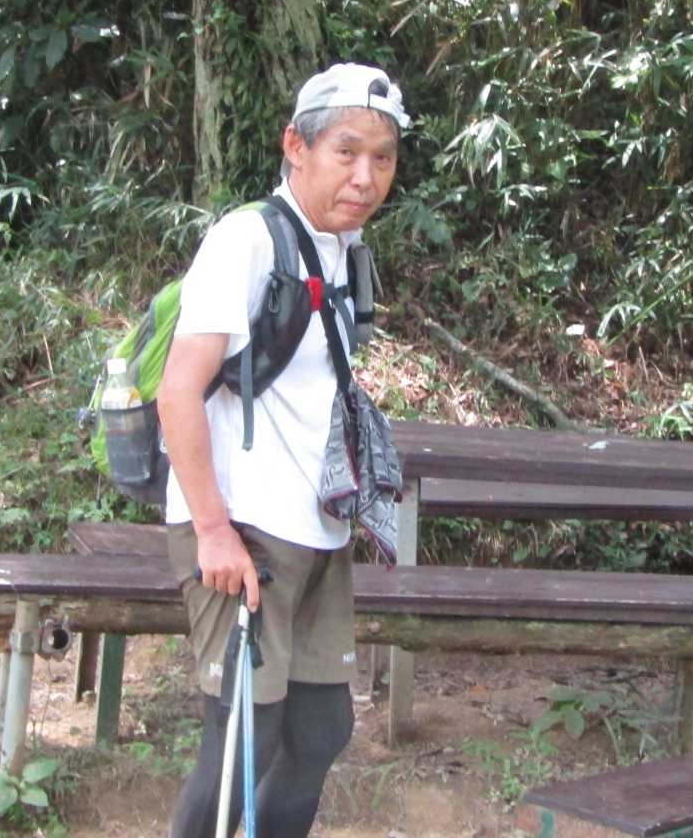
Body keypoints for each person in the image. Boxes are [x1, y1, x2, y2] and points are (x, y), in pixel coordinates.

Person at [159, 62, 407, 838]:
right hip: (246, 534)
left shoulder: (342, 246)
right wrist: (212, 531)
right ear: (295, 146)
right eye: (346, 151)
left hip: (317, 529)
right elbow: (178, 391)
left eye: (383, 157)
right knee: (244, 738)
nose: (365, 177)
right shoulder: (246, 241)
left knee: (320, 731)